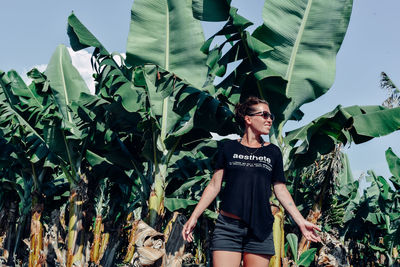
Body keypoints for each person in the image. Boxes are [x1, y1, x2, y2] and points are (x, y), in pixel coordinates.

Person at [181, 96, 321, 267]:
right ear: (248, 119)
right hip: (228, 228)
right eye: (264, 115)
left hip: (260, 229)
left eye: (271, 116)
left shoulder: (273, 152)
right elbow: (214, 185)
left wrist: (300, 222)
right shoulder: (229, 148)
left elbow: (280, 189)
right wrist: (194, 216)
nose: (269, 119)